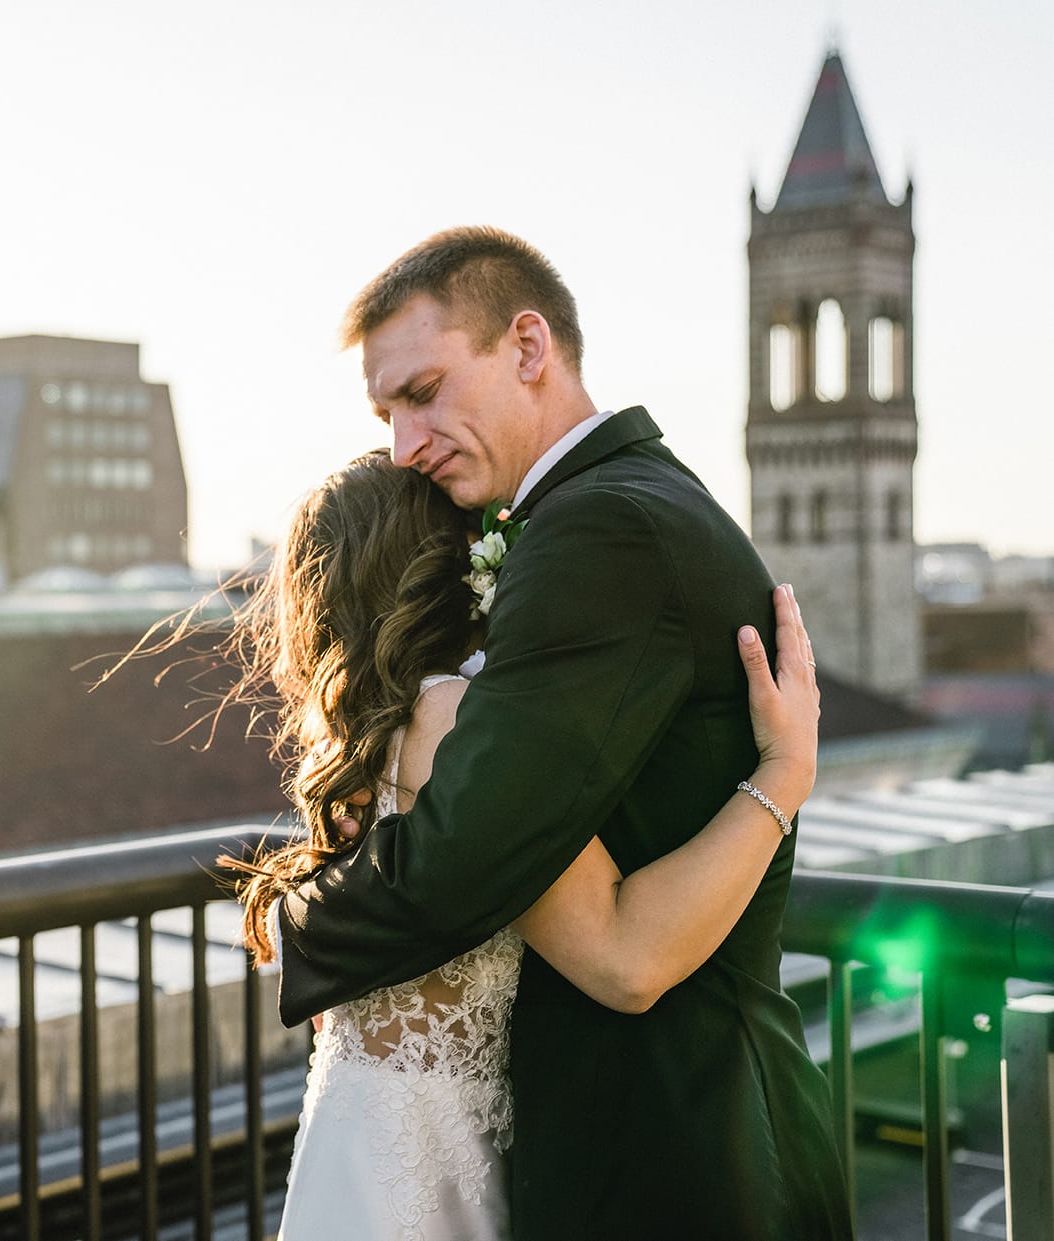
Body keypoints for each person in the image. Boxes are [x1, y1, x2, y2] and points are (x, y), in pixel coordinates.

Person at [274, 227, 852, 1238]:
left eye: (422, 391)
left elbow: (465, 853)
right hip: (700, 1123)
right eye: (387, 412)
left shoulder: (600, 528)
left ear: (529, 347)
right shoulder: (637, 499)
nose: (405, 443)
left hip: (669, 1145)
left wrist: (294, 923)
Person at [218, 451, 820, 1238]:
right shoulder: (457, 717)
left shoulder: (356, 734)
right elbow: (625, 958)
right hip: (433, 1154)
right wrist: (783, 774)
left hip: (357, 1126)